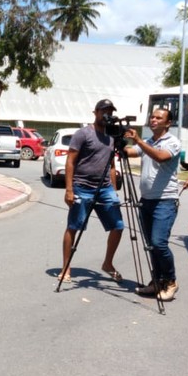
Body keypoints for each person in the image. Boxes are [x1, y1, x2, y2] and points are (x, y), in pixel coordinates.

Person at [58, 99, 125, 284]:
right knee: (74, 227)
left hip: (105, 188)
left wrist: (113, 189)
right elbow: (70, 161)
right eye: (104, 111)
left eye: (110, 112)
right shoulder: (83, 134)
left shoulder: (111, 137)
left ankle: (108, 264)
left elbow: (112, 165)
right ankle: (66, 268)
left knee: (118, 226)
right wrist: (69, 189)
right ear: (95, 112)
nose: (107, 115)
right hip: (82, 187)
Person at [124, 108, 183, 301]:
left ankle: (171, 281)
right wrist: (117, 143)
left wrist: (139, 141)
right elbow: (131, 152)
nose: (154, 120)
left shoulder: (172, 142)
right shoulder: (148, 141)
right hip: (146, 201)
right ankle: (157, 281)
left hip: (165, 200)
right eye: (152, 117)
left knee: (159, 243)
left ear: (168, 123)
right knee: (151, 245)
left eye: (159, 118)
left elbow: (161, 157)